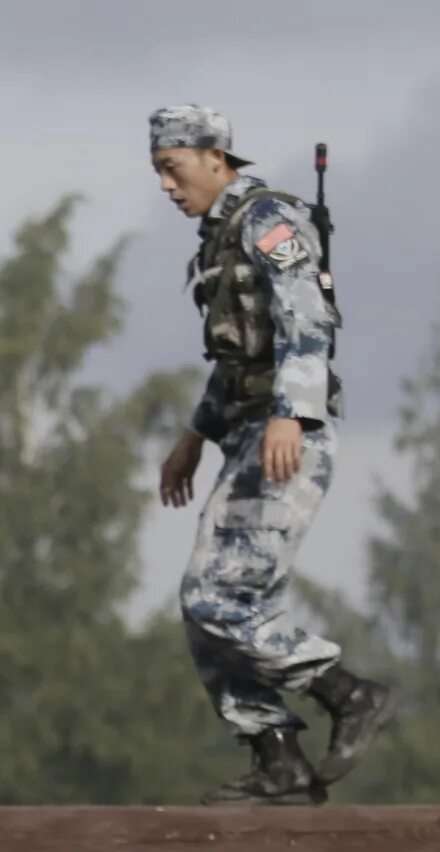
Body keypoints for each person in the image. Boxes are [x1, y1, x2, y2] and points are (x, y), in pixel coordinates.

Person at [149, 105, 393, 803]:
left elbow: (306, 318)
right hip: (246, 433)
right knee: (203, 609)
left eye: (173, 167)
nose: (167, 185)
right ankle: (275, 755)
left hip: (287, 438)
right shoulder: (215, 239)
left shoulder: (266, 220)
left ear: (214, 156)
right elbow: (235, 357)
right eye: (160, 171)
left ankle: (349, 695)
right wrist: (193, 437)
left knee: (215, 597)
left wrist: (292, 411)